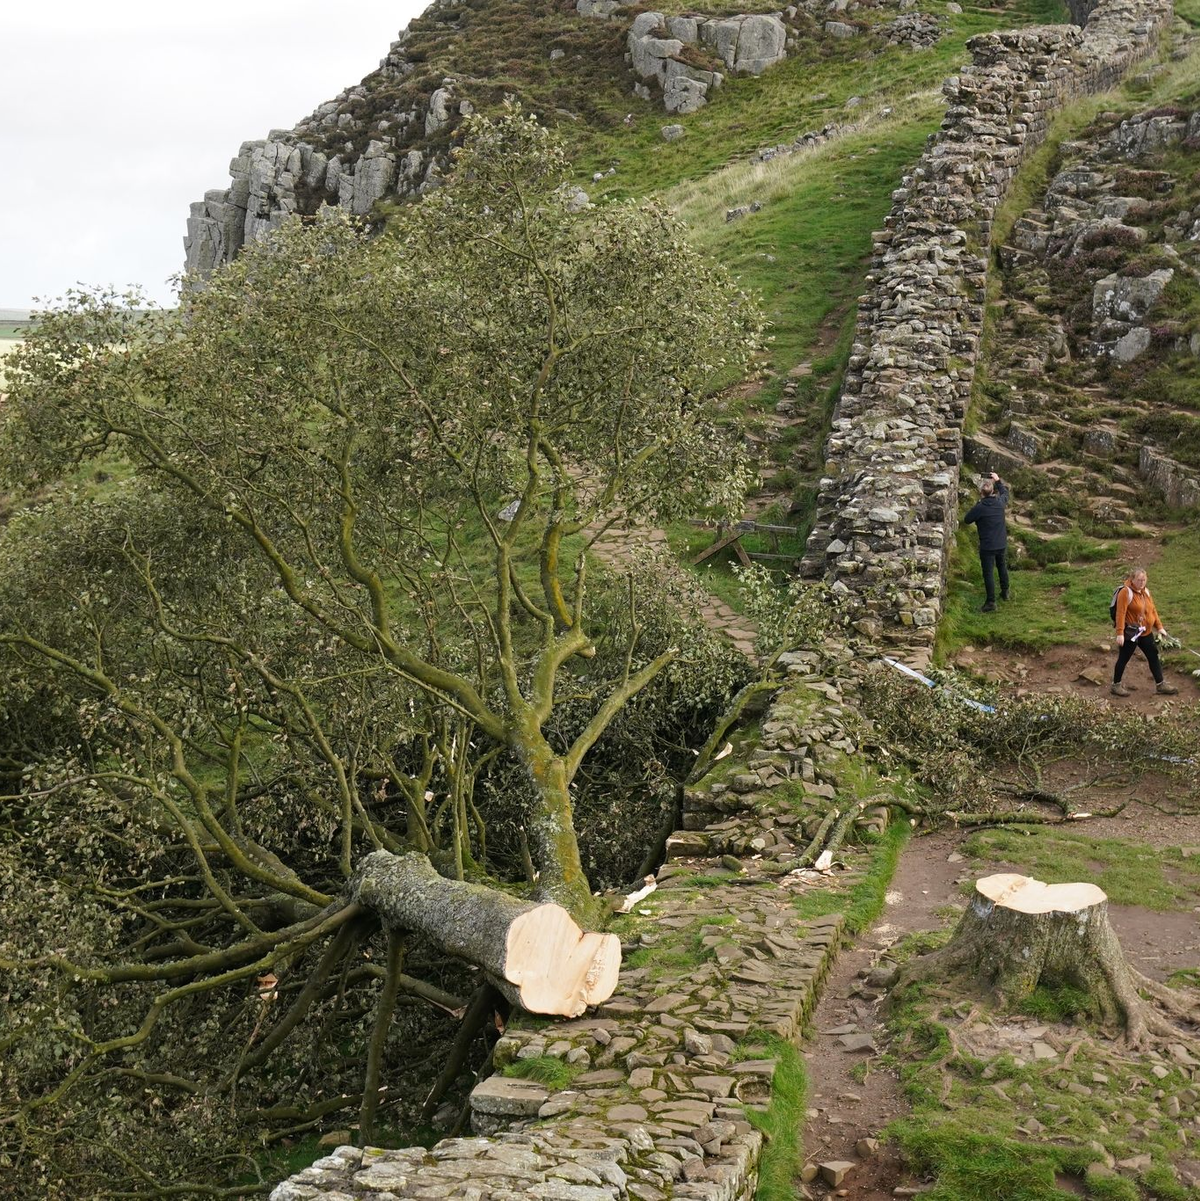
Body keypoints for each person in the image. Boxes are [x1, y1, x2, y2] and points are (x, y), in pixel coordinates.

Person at [1111, 568, 1178, 697]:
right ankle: (1116, 685)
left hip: (1145, 632)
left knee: (1153, 655)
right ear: (1132, 579)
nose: (1142, 582)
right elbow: (1120, 613)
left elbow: (1153, 610)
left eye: (1144, 580)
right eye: (1139, 580)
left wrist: (1159, 627)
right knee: (1124, 658)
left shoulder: (1146, 592)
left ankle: (1160, 684)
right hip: (1131, 633)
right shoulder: (1125, 592)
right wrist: (1120, 633)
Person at [963, 472, 1009, 613]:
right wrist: (997, 480)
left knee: (988, 573)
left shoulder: (980, 507)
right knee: (1002, 566)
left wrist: (978, 504)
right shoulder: (999, 503)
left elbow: (967, 519)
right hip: (1001, 543)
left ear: (981, 493)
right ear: (992, 492)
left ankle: (991, 602)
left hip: (987, 546)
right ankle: (1005, 592)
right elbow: (1005, 493)